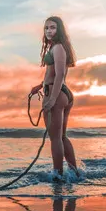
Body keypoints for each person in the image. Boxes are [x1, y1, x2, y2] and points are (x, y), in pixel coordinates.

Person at [29, 16, 79, 181]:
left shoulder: (57, 48)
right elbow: (52, 74)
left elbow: (60, 75)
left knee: (55, 138)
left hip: (56, 94)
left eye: (53, 27)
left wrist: (51, 99)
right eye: (46, 28)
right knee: (62, 136)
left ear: (59, 30)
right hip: (61, 92)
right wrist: (41, 85)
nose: (49, 31)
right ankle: (74, 172)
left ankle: (58, 175)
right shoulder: (58, 47)